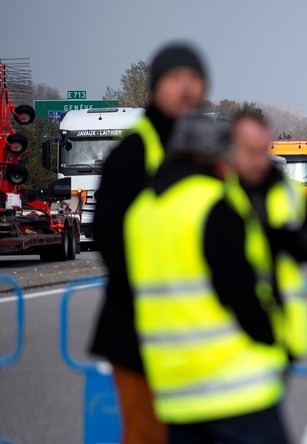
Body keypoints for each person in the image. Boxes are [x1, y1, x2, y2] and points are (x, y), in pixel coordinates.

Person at [125, 113, 292, 443]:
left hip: (173, 390)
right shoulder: (213, 204)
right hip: (235, 387)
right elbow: (239, 289)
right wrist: (272, 335)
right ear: (218, 158)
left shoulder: (141, 211)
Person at [90, 42, 207, 444]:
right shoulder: (134, 152)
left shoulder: (205, 150)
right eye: (175, 79)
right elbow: (108, 234)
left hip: (195, 332)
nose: (186, 88)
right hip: (139, 331)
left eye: (194, 79)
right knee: (147, 435)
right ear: (156, 87)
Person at [228, 109, 307, 362]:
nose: (259, 160)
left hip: (281, 333)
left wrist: (288, 240)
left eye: (263, 151)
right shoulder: (216, 194)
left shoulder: (288, 192)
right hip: (230, 338)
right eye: (250, 151)